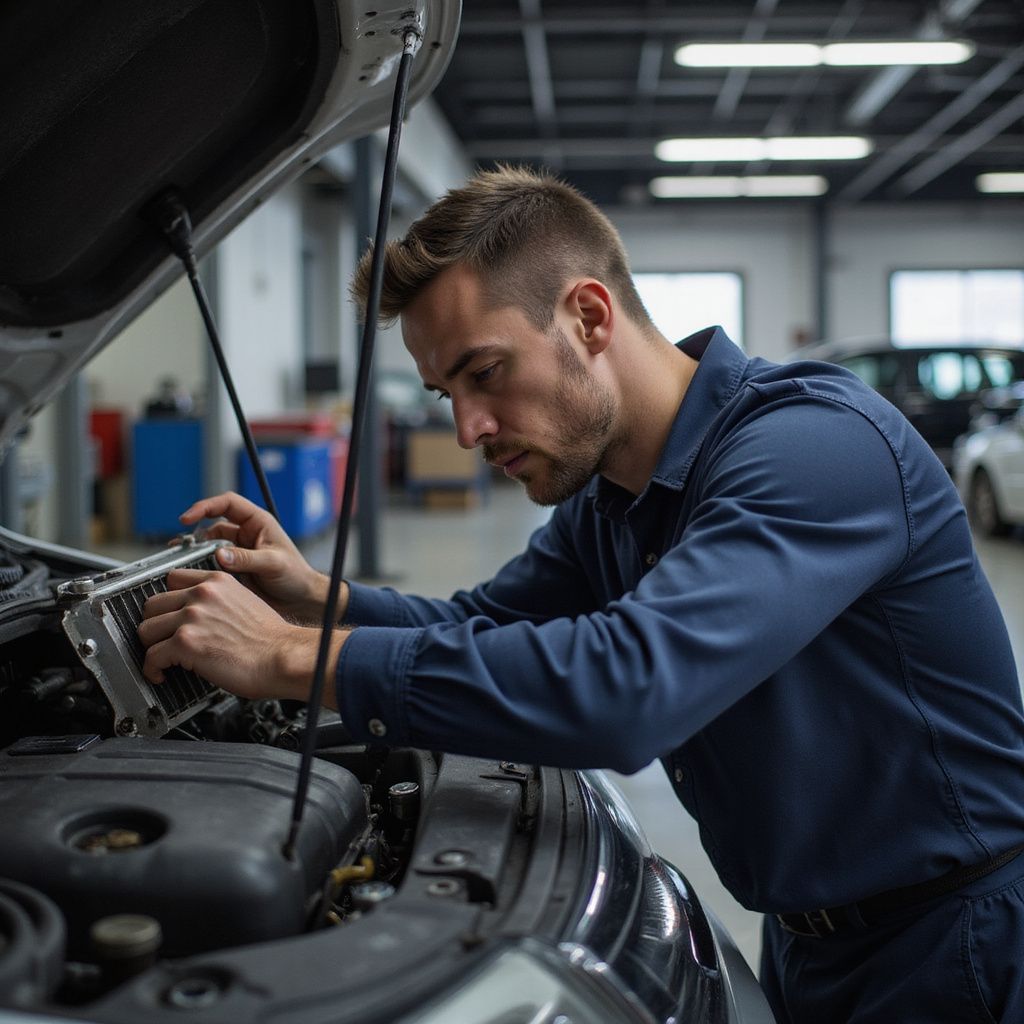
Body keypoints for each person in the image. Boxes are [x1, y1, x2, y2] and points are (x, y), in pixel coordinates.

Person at [138, 167, 1024, 1023]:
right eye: (448, 393)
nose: (466, 430)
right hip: (808, 943)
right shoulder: (613, 498)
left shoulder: (813, 451)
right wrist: (313, 599)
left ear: (588, 315)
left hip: (957, 947)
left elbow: (626, 693)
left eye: (485, 373)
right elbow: (477, 625)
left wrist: (288, 656)